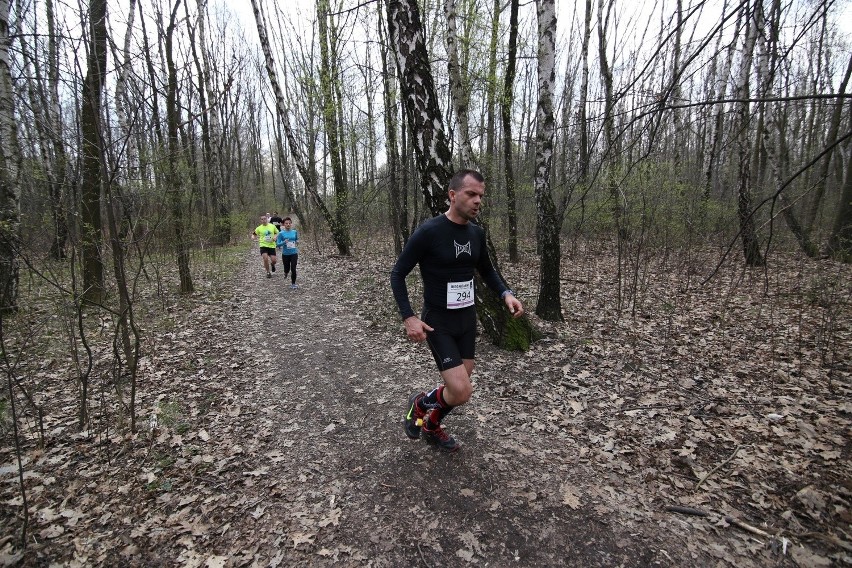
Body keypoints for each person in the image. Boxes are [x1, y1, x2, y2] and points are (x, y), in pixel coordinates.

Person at [390, 169, 524, 452]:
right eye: (471, 194)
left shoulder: (477, 233)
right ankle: (420, 404)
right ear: (452, 195)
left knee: (457, 388)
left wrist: (506, 293)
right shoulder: (429, 232)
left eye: (481, 196)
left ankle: (431, 424)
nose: (478, 201)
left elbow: (487, 269)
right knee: (462, 391)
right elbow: (398, 273)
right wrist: (409, 317)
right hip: (438, 321)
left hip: (467, 318)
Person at [276, 217, 299, 289]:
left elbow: (296, 239)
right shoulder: (281, 233)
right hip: (285, 254)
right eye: (286, 223)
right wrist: (283, 242)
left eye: (289, 223)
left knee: (293, 268)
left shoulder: (294, 232)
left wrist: (297, 241)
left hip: (294, 253)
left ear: (291, 224)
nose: (288, 224)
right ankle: (285, 273)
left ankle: (293, 284)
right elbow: (277, 244)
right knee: (287, 268)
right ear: (283, 224)